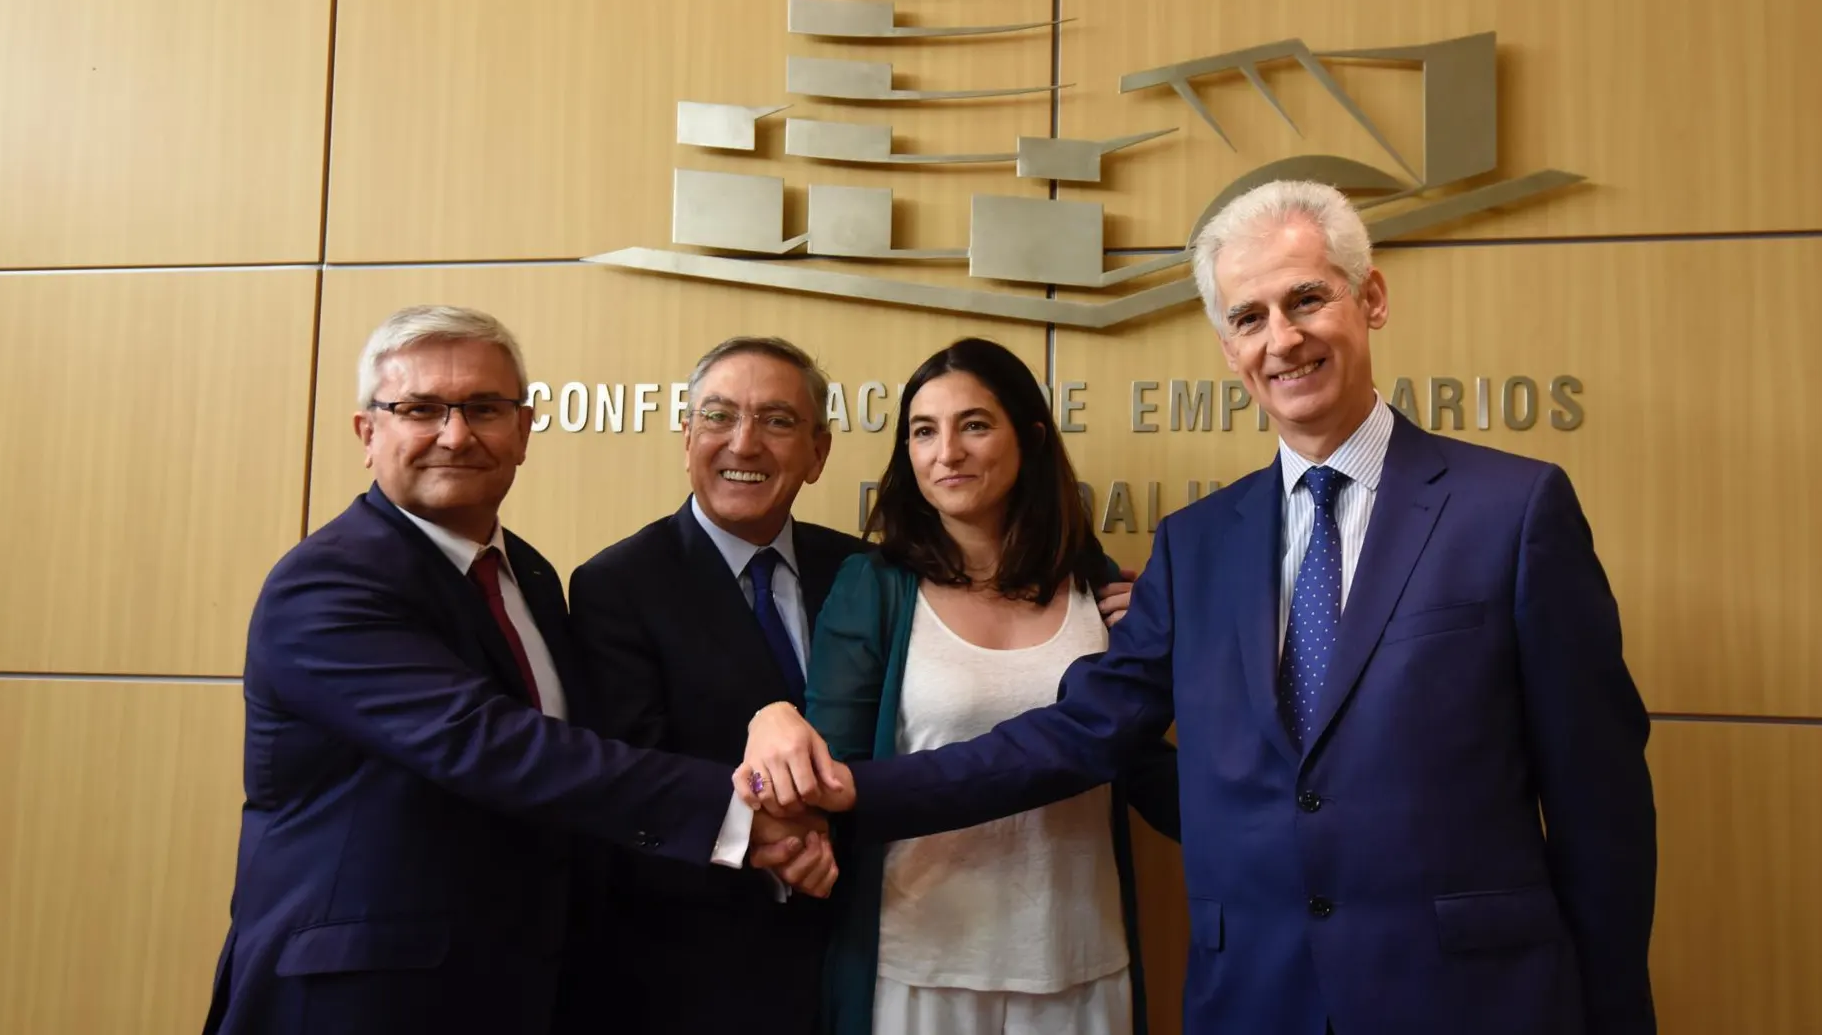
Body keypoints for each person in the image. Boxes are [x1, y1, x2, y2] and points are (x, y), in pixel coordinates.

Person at [740, 182, 1660, 1035]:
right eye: (1248, 317)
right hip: (1255, 1000)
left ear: (1370, 298)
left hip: (1471, 999)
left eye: (1307, 300)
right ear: (1227, 347)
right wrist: (855, 786)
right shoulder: (1197, 545)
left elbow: (1600, 802)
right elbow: (1079, 732)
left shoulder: (1513, 510)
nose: (1282, 339)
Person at [200, 306, 835, 1035]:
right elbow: (490, 743)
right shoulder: (326, 585)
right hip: (362, 996)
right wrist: (740, 820)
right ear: (367, 433)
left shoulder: (526, 574)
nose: (455, 433)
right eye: (419, 409)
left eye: (483, 408)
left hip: (519, 984)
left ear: (525, 431)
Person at [745, 337, 1180, 1035]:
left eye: (974, 424)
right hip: (919, 964)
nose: (946, 451)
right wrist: (771, 723)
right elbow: (838, 773)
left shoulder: (1096, 583)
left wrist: (1177, 655)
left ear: (1030, 438)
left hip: (1080, 958)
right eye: (924, 430)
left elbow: (1133, 758)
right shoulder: (876, 587)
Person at [565, 336, 868, 1035]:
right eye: (718, 416)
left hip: (863, 955)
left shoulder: (860, 570)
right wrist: (778, 843)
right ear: (687, 436)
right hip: (697, 972)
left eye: (777, 420)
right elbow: (633, 776)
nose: (744, 443)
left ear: (818, 452)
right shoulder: (618, 585)